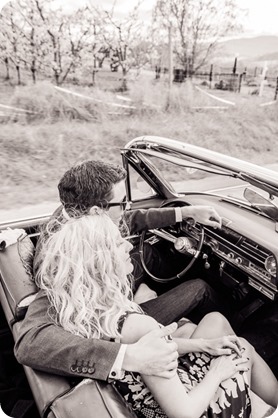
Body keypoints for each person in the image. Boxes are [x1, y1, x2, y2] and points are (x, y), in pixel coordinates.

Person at [35, 207, 278, 418]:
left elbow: (151, 349)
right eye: (119, 243)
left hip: (144, 397)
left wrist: (203, 346)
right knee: (241, 346)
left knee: (214, 322)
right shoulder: (137, 325)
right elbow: (184, 413)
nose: (129, 245)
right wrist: (217, 372)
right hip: (196, 408)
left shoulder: (83, 310)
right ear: (103, 262)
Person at [15, 160, 225, 381]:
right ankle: (241, 325)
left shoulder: (77, 214)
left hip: (105, 299)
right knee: (199, 288)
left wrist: (185, 213)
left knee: (147, 253)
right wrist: (125, 355)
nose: (127, 209)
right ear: (97, 211)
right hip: (112, 324)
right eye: (122, 203)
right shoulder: (62, 260)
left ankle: (141, 294)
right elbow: (29, 343)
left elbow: (127, 220)